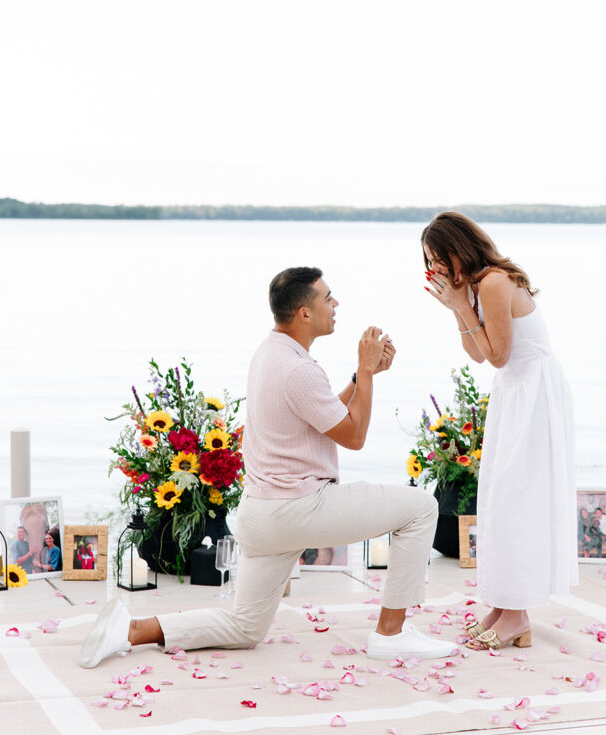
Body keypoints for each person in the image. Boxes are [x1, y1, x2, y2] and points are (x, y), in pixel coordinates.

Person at [80, 266, 456, 668]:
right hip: (299, 508)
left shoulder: (272, 351)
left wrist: (360, 376)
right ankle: (392, 634)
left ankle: (131, 629)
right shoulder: (297, 368)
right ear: (304, 314)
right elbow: (353, 436)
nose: (336, 303)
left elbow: (323, 411)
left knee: (245, 627)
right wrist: (365, 372)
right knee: (421, 507)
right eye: (328, 297)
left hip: (262, 513)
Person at [421, 212, 577, 651]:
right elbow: (477, 353)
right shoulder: (476, 287)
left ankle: (518, 614)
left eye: (437, 258)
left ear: (458, 250)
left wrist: (460, 306)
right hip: (516, 391)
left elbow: (499, 354)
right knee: (498, 498)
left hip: (531, 391)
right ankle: (504, 607)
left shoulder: (492, 281)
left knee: (516, 501)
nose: (435, 269)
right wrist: (459, 307)